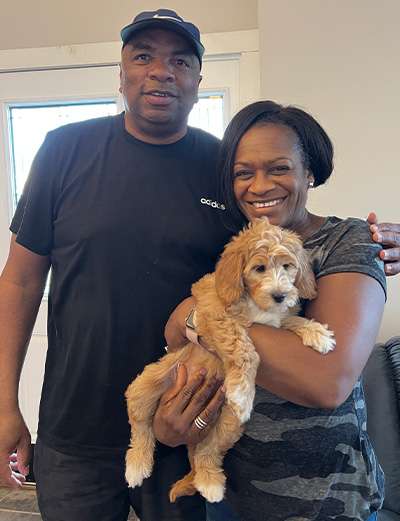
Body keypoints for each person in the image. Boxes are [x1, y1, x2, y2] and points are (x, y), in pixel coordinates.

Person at [0, 8, 399, 521]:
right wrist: (5, 403)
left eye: (180, 61)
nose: (161, 71)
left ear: (197, 80)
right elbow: (20, 279)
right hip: (76, 425)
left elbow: (280, 237)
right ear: (121, 72)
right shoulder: (64, 150)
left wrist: (373, 240)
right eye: (143, 56)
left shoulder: (219, 170)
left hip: (188, 418)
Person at [160, 101, 389, 521]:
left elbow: (325, 382)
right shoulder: (230, 248)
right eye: (243, 173)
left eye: (279, 168)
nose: (260, 186)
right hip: (230, 494)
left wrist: (202, 316)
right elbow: (176, 337)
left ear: (310, 172)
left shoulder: (348, 241)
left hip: (328, 500)